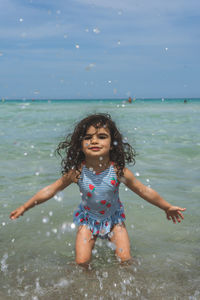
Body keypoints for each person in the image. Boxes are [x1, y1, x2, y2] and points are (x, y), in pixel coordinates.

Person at [10, 113, 186, 265]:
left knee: (125, 260)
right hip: (88, 220)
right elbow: (50, 190)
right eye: (88, 137)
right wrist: (25, 207)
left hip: (114, 219)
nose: (94, 140)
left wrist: (166, 206)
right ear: (80, 145)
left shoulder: (118, 171)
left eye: (101, 136)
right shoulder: (77, 172)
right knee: (81, 262)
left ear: (112, 144)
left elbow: (143, 190)